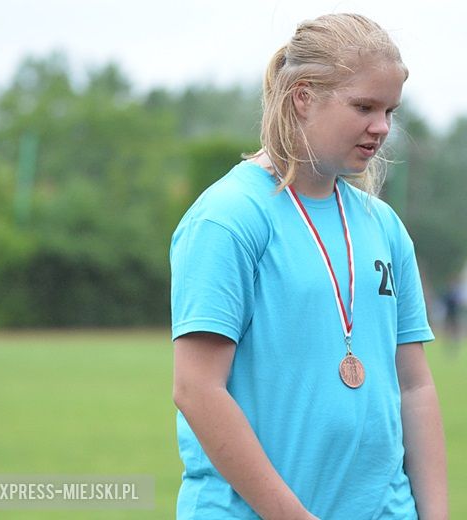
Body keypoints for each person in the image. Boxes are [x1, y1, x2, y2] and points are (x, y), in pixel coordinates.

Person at [170, 13, 447, 519]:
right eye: (364, 106)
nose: (382, 127)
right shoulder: (228, 218)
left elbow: (415, 386)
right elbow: (196, 389)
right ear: (303, 97)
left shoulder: (384, 226)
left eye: (389, 110)